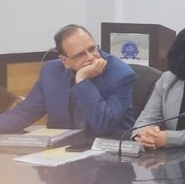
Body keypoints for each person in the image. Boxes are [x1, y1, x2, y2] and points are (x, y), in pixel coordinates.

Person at [0, 24, 135, 135]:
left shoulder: (120, 74)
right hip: (61, 151)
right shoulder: (51, 72)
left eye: (92, 49)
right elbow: (24, 113)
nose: (90, 57)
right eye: (80, 55)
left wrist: (82, 80)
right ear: (64, 61)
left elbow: (103, 124)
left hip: (107, 154)